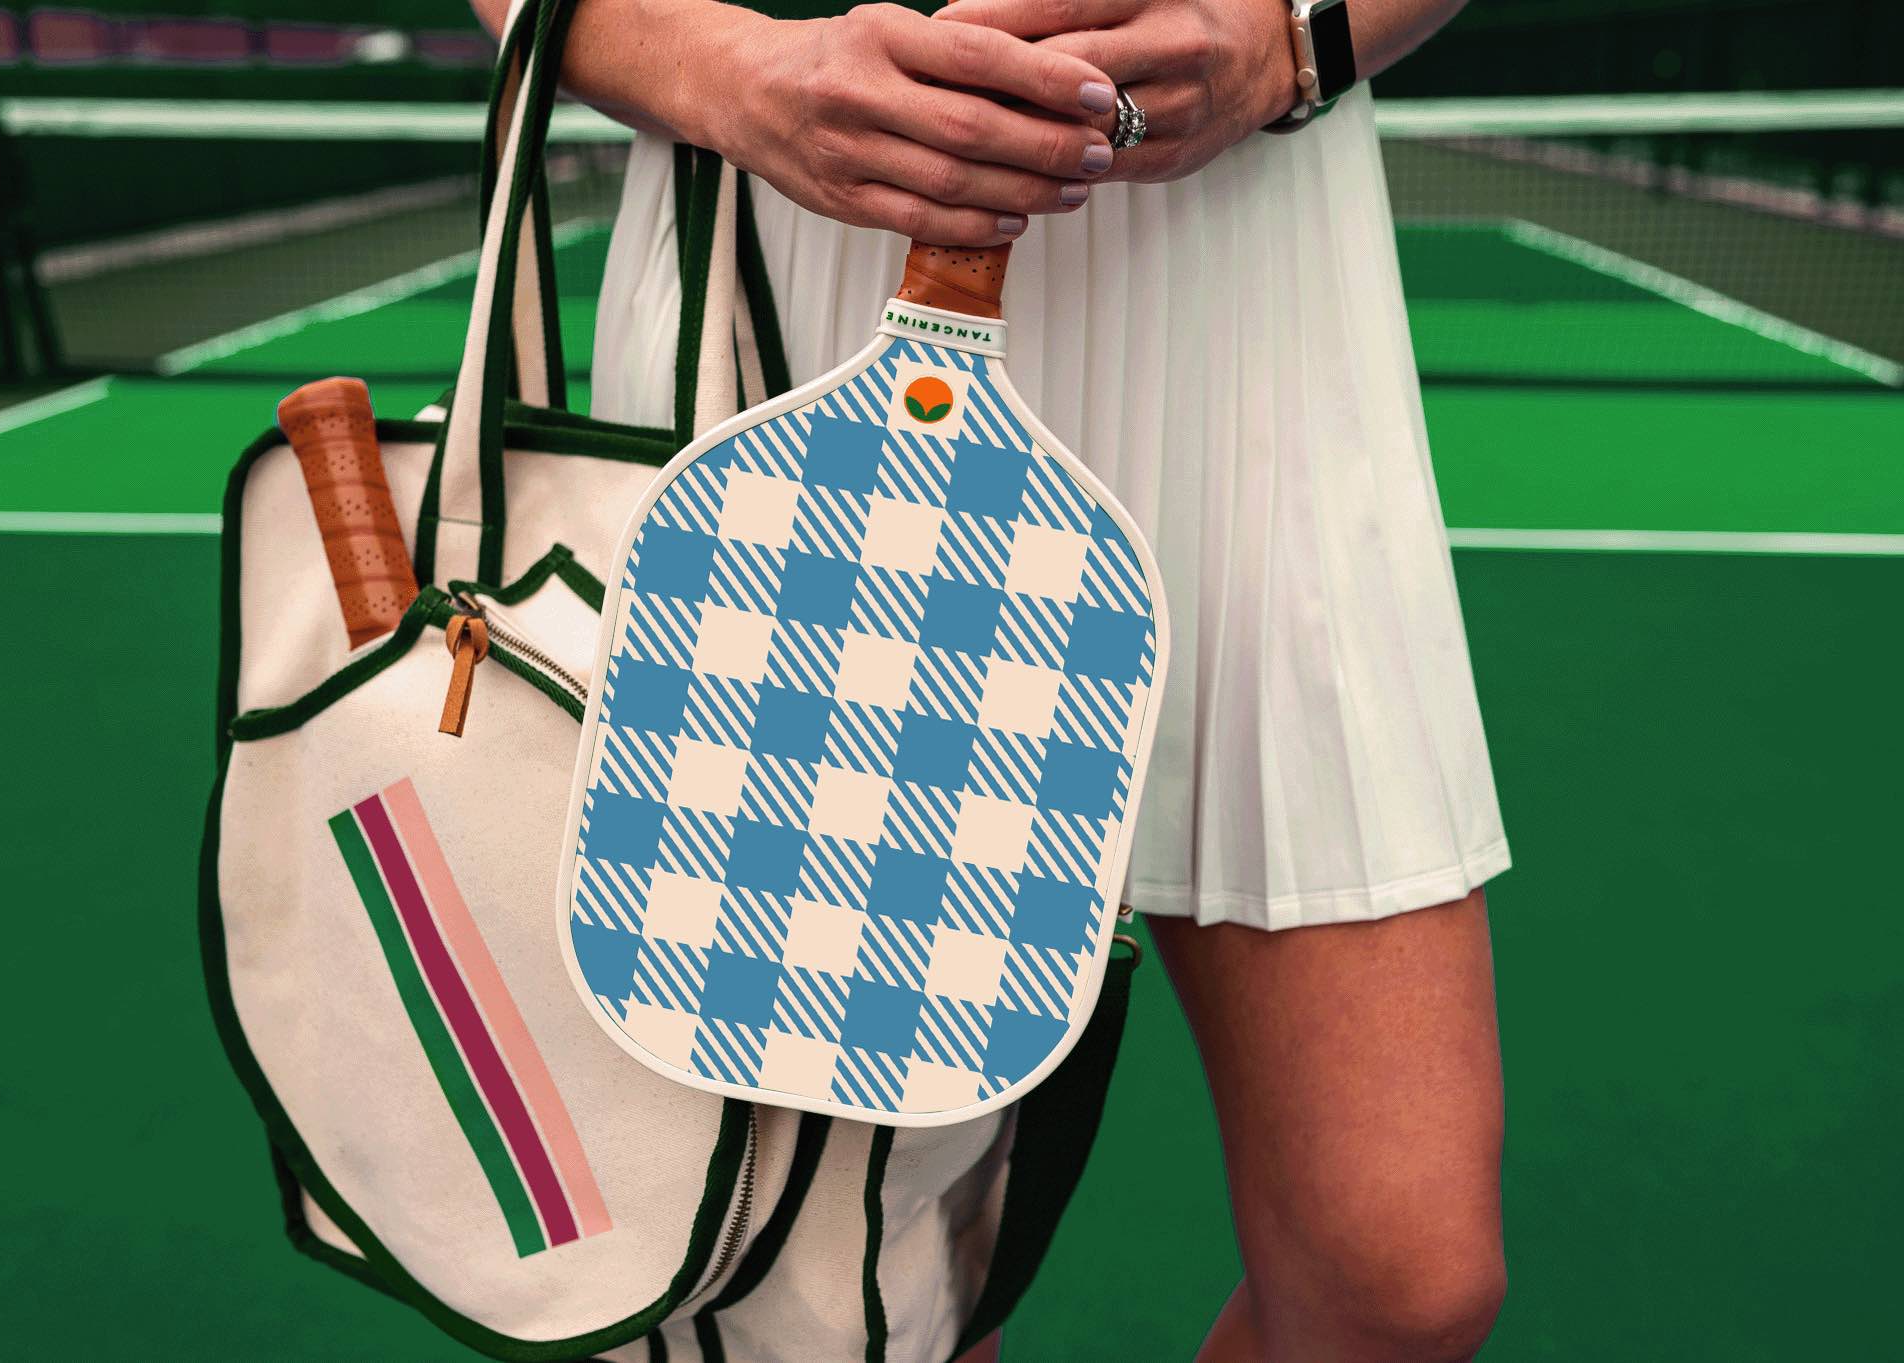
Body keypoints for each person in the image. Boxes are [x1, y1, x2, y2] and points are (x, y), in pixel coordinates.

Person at [474, 0, 1509, 1358]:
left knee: (1399, 1277)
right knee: (862, 1314)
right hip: (799, 274)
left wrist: (1289, 40)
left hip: (1253, 300)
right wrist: (734, 72)